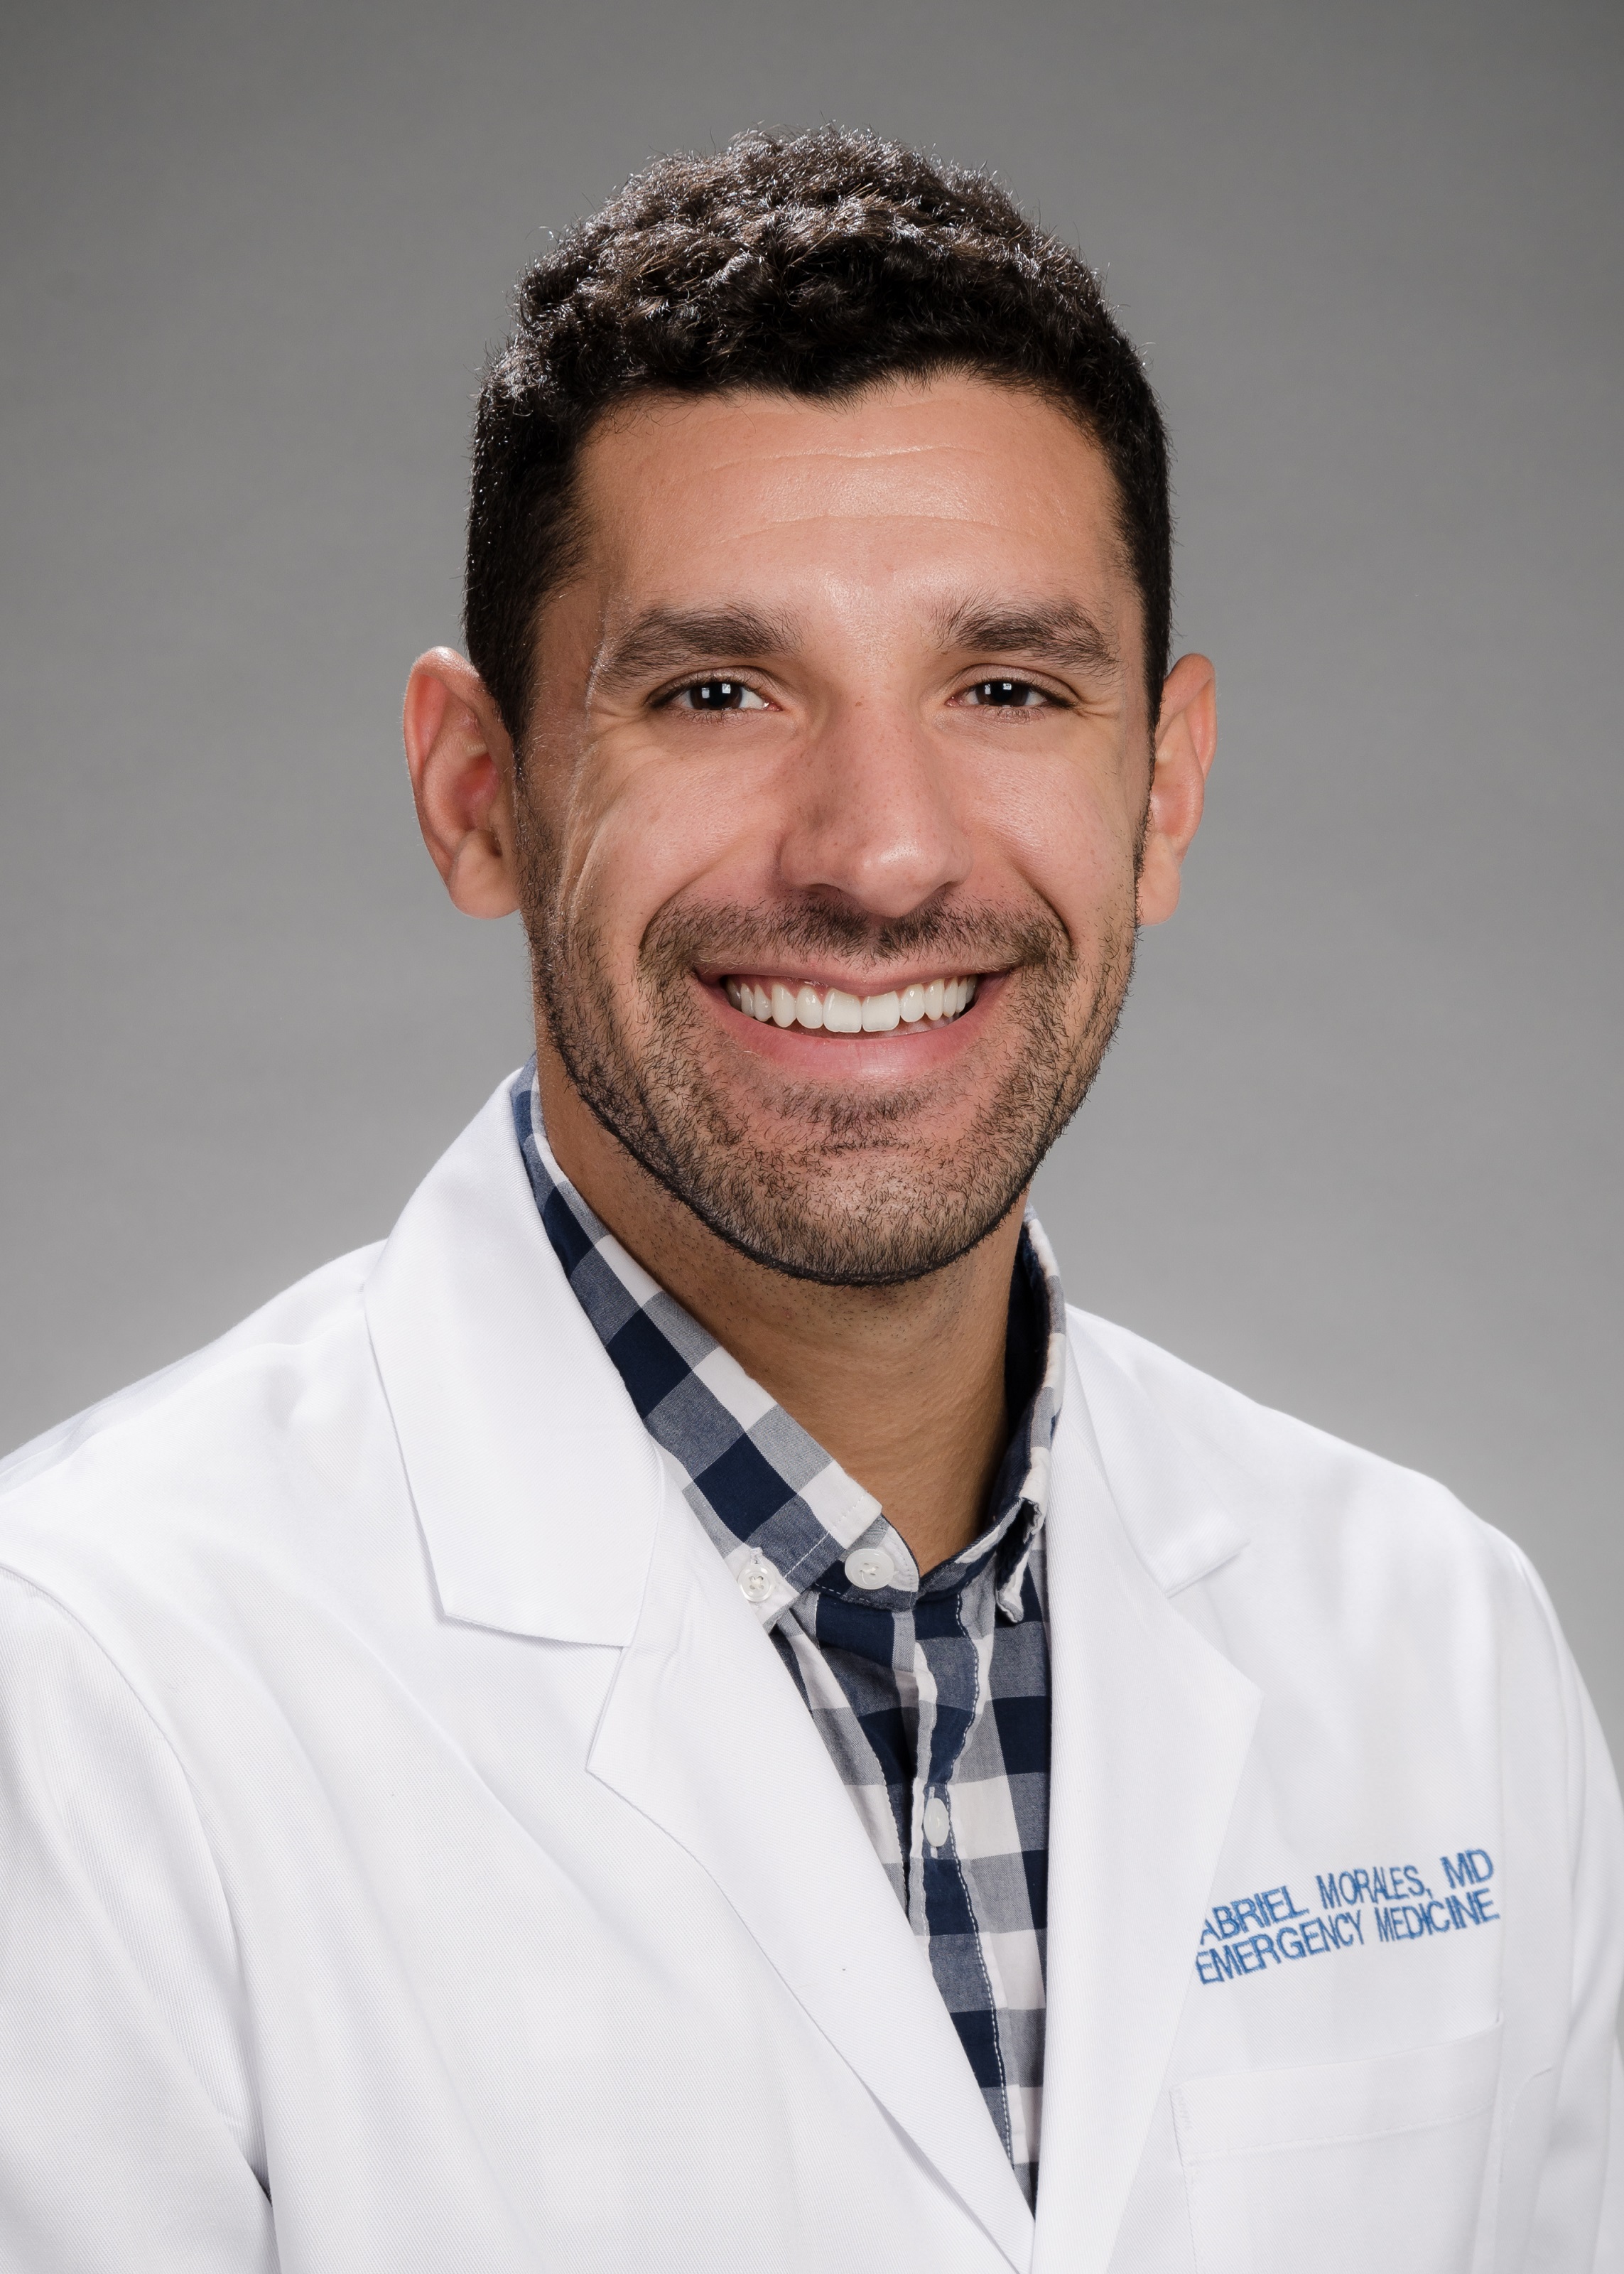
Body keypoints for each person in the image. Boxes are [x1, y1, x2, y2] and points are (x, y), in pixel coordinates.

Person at [0, 125, 1617, 2274]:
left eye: (1010, 688)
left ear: (1167, 786)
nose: (878, 855)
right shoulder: (92, 1689)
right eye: (718, 691)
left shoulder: (1433, 1643)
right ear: (478, 791)